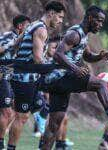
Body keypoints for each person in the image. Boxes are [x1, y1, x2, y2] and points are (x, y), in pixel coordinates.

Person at [41, 5, 108, 150]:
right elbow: (58, 54)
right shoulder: (75, 34)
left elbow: (87, 56)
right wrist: (76, 68)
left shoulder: (83, 35)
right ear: (90, 18)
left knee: (54, 124)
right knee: (101, 84)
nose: (100, 25)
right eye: (99, 21)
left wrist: (99, 56)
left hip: (59, 81)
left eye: (102, 22)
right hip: (60, 76)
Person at [7, 2, 66, 150]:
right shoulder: (41, 29)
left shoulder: (33, 25)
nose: (60, 21)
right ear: (51, 13)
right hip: (24, 78)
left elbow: (15, 44)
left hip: (29, 77)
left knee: (40, 107)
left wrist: (15, 60)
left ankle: (43, 141)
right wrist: (54, 68)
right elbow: (38, 59)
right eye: (59, 17)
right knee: (21, 116)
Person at [0, 14, 30, 150]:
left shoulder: (24, 42)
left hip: (10, 78)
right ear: (20, 26)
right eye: (28, 27)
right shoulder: (8, 37)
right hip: (2, 76)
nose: (30, 30)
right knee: (7, 112)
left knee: (12, 112)